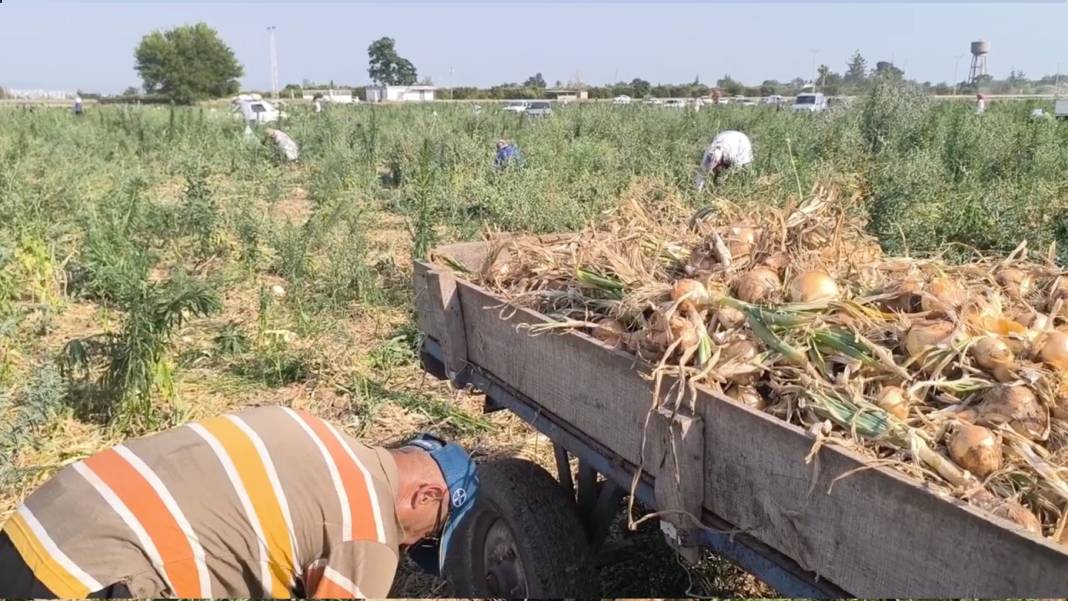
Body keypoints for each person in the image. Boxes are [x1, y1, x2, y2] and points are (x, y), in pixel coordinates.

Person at [0, 406, 478, 598]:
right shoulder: (369, 535)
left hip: (33, 526)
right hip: (93, 578)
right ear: (426, 496)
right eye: (433, 530)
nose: (418, 543)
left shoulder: (311, 428)